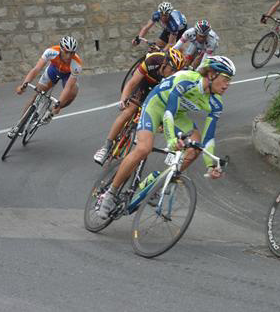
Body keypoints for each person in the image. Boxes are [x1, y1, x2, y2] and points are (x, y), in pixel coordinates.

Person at [97, 56, 236, 219]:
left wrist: (211, 165)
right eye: (225, 79)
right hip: (156, 107)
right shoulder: (187, 80)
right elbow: (168, 112)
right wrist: (171, 141)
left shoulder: (216, 103)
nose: (228, 84)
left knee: (195, 147)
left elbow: (209, 137)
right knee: (143, 148)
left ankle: (158, 184)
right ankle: (110, 194)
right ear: (211, 74)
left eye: (230, 80)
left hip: (177, 115)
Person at [93, 47, 185, 165]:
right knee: (129, 111)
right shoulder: (153, 60)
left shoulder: (174, 78)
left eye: (176, 72)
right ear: (165, 63)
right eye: (172, 70)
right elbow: (132, 83)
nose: (173, 74)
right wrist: (123, 100)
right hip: (143, 83)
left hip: (156, 92)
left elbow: (169, 102)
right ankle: (106, 146)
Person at [12, 36, 82, 133]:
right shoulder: (51, 51)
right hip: (53, 71)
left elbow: (68, 87)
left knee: (73, 91)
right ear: (61, 49)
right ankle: (20, 124)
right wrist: (23, 85)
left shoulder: (76, 64)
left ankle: (51, 112)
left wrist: (59, 104)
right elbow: (36, 69)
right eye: (66, 52)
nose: (69, 56)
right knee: (37, 94)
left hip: (67, 75)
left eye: (72, 53)